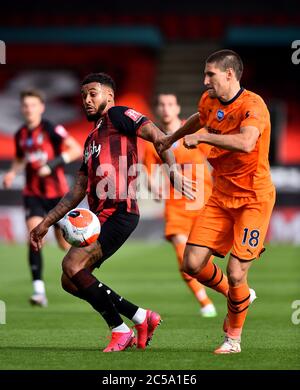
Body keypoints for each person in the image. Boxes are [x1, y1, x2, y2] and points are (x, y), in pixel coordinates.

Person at [30, 73, 195, 352]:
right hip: (101, 215)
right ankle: (141, 317)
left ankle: (120, 331)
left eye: (93, 94)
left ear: (109, 95)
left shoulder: (119, 115)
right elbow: (77, 191)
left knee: (72, 266)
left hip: (119, 210)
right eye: (83, 96)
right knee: (70, 281)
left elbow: (157, 135)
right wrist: (45, 223)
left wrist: (173, 172)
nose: (87, 100)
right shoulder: (91, 139)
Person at [157, 49, 274, 354]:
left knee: (237, 272)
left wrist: (205, 138)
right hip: (221, 196)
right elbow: (201, 118)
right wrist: (171, 138)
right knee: (192, 263)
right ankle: (238, 296)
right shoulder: (209, 101)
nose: (204, 79)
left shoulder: (254, 105)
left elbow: (247, 142)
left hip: (253, 199)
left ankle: (233, 339)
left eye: (210, 74)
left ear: (229, 74)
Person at [3, 89, 82, 307]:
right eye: (26, 105)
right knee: (35, 238)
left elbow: (75, 149)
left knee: (65, 244)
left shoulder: (51, 128)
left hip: (57, 195)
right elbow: (21, 158)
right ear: (22, 108)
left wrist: (52, 165)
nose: (29, 109)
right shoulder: (21, 133)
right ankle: (39, 291)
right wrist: (12, 172)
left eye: (33, 105)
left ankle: (82, 278)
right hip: (33, 194)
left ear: (41, 107)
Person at [143, 93, 217, 317]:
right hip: (175, 206)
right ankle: (205, 302)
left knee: (202, 261)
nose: (165, 108)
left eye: (169, 104)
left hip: (203, 203)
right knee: (183, 257)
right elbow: (147, 170)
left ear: (177, 108)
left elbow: (216, 157)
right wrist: (153, 187)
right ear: (157, 110)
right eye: (161, 104)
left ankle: (227, 292)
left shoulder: (195, 132)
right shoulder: (155, 140)